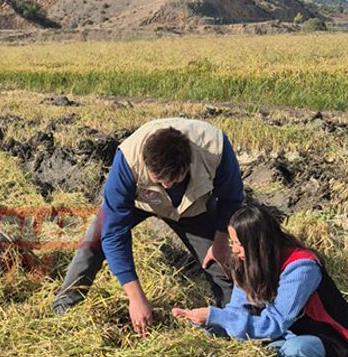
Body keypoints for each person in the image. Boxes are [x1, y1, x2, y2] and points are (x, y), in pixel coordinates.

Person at [52, 118, 244, 337]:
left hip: (192, 206)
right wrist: (136, 297)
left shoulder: (215, 148)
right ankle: (65, 306)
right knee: (94, 240)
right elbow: (114, 233)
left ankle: (233, 320)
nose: (166, 186)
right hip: (140, 202)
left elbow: (232, 199)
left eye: (172, 180)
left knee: (219, 261)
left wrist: (220, 243)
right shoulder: (128, 160)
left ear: (186, 165)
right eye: (159, 181)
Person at [172, 204, 348, 357]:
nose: (234, 250)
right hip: (286, 337)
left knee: (294, 351)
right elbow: (236, 312)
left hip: (333, 344)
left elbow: (275, 323)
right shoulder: (248, 262)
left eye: (239, 244)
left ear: (258, 244)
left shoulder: (301, 268)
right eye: (233, 243)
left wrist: (216, 316)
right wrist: (206, 322)